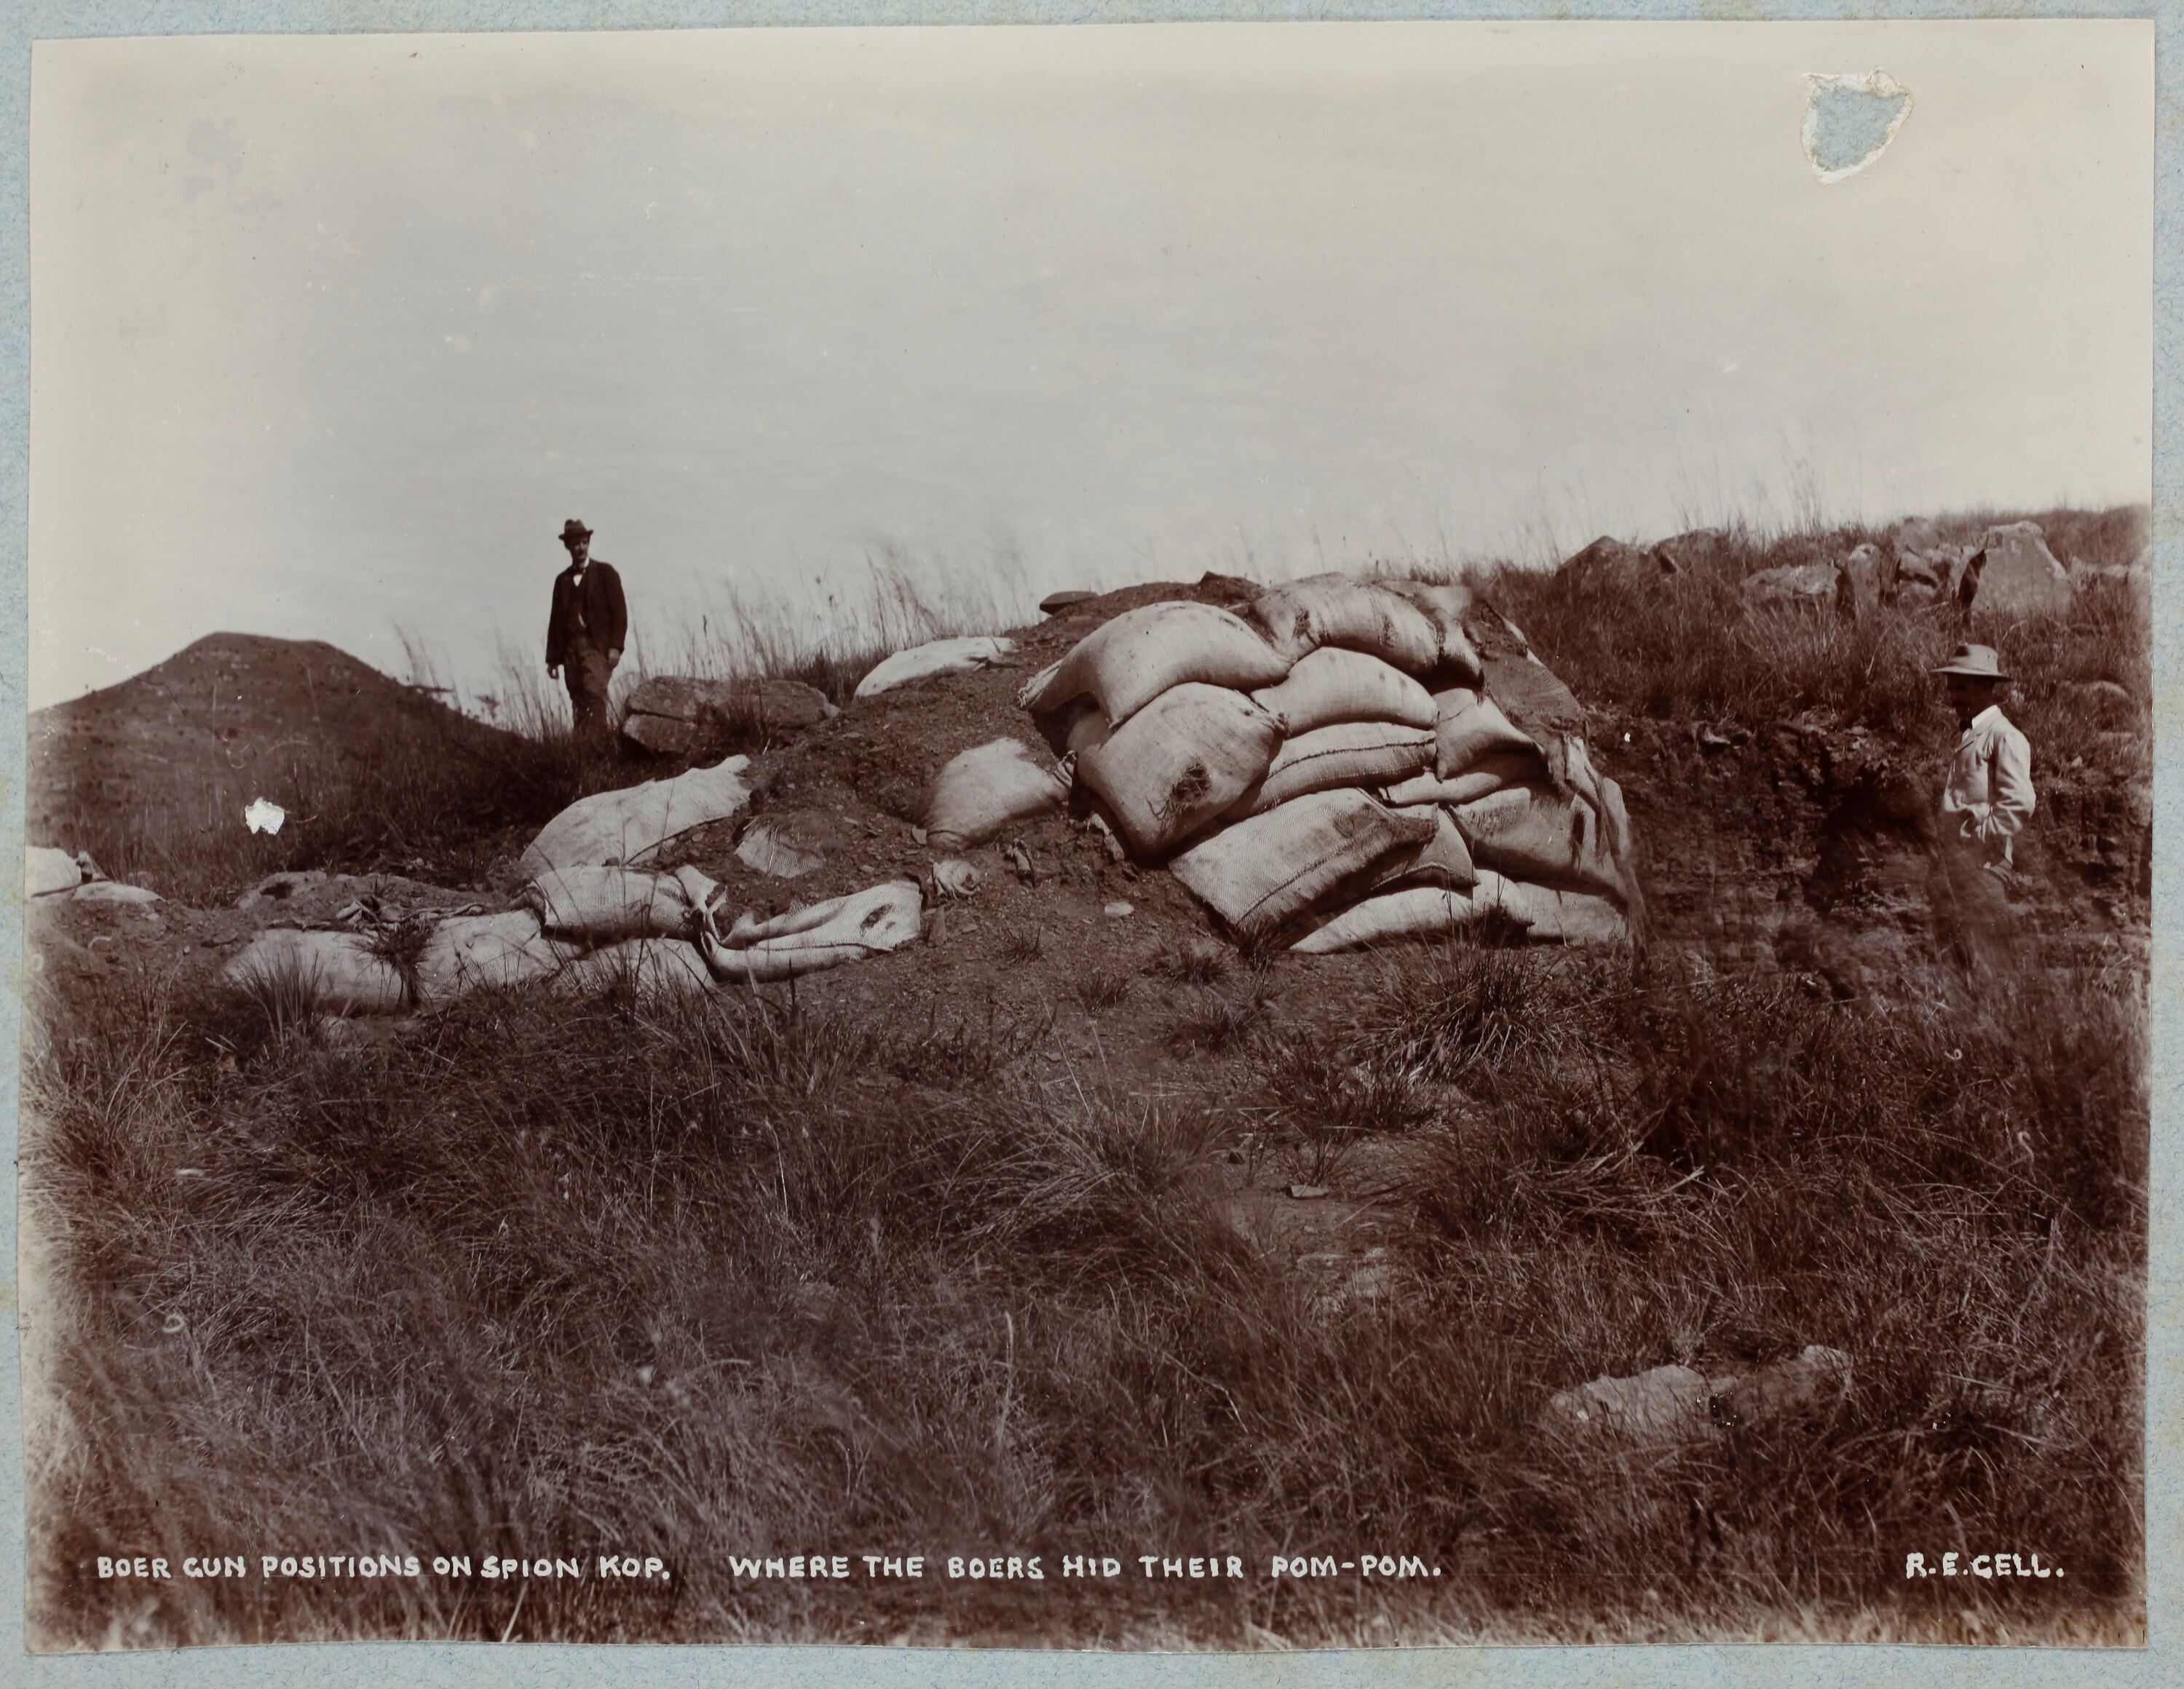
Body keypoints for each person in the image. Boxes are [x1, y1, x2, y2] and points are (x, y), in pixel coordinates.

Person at [1928, 642, 2035, 969]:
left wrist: (1977, 840)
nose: (1952, 697)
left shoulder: (2004, 736)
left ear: (1985, 687)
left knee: (1989, 965)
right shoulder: (1971, 735)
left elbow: (2019, 802)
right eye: (1950, 689)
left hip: (1983, 869)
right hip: (1958, 870)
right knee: (1960, 967)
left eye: (1960, 689)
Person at [545, 518, 628, 742]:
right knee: (578, 698)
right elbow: (556, 620)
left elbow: (620, 613)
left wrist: (615, 647)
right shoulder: (562, 580)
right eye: (575, 544)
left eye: (584, 542)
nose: (580, 548)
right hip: (570, 650)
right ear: (568, 546)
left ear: (589, 543)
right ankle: (582, 752)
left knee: (594, 695)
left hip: (596, 646)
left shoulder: (605, 573)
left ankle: (599, 751)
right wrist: (552, 659)